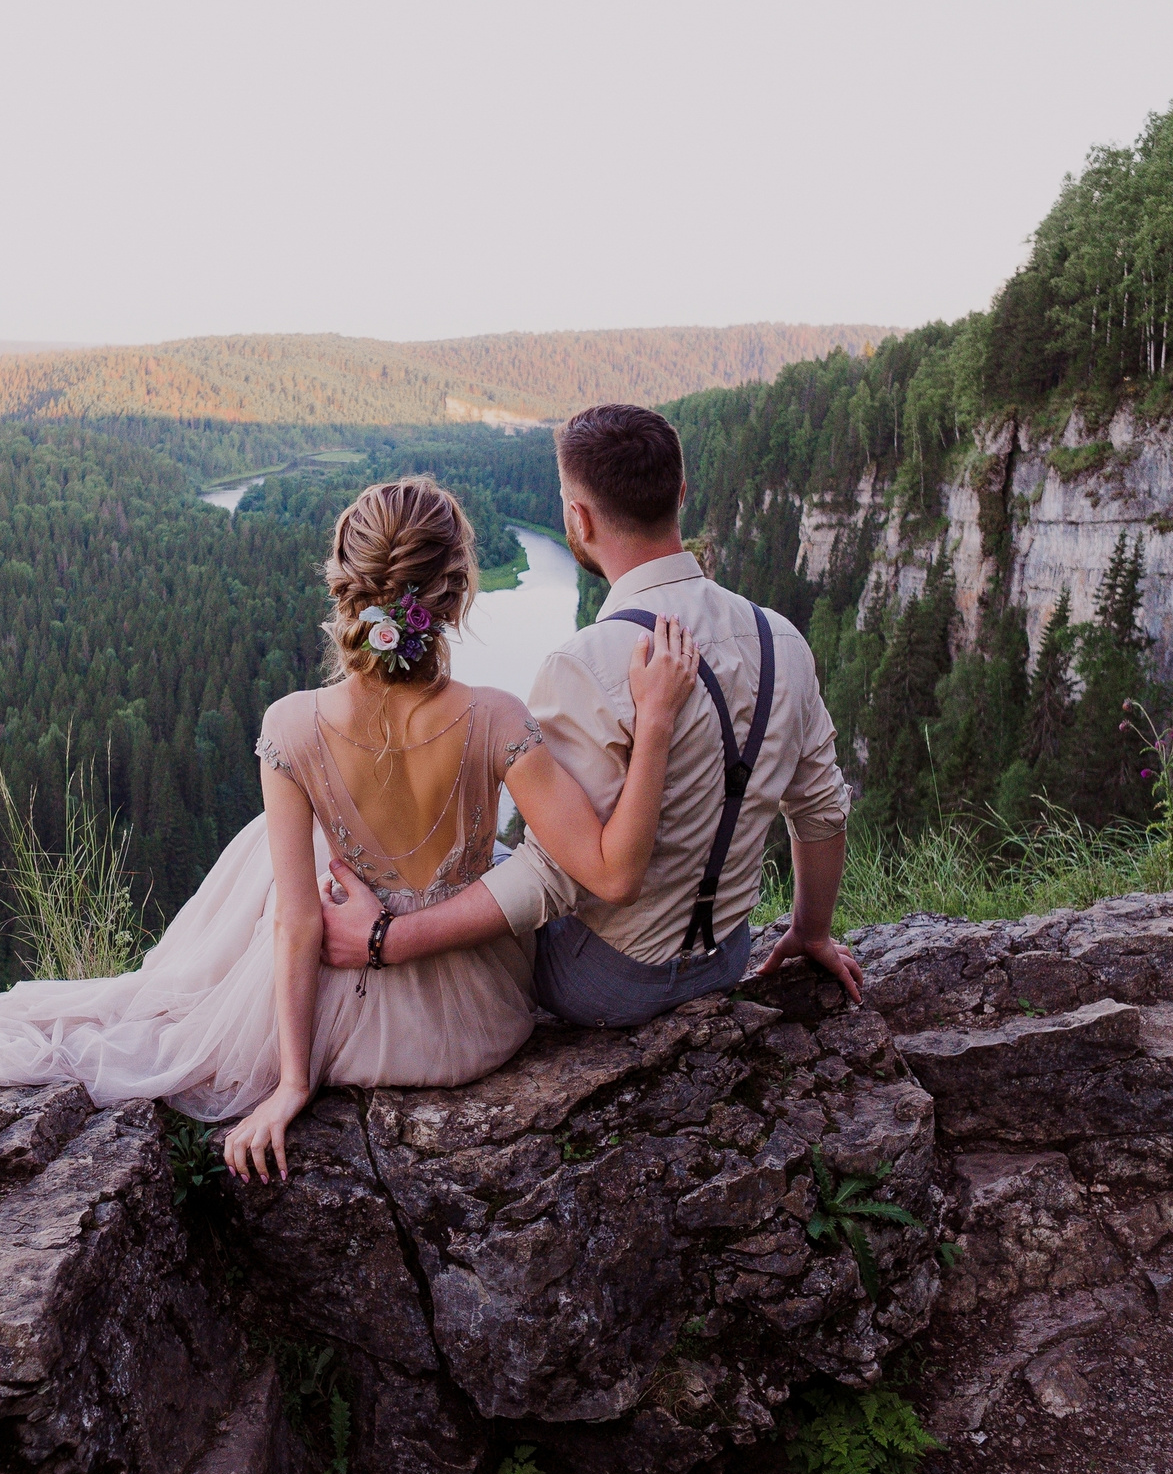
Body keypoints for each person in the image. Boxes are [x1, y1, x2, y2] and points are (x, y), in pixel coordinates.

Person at [0, 475, 702, 1184]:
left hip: (348, 1029)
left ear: (348, 587)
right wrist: (656, 723)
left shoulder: (292, 724)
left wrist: (291, 1084)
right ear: (455, 598)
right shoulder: (498, 718)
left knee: (285, 855)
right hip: (478, 1024)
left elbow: (299, 925)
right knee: (325, 850)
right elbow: (610, 870)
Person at [318, 404, 864, 1031]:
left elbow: (554, 877)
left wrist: (388, 939)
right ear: (680, 494)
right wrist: (811, 931)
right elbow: (821, 807)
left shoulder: (586, 663)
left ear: (578, 517)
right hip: (725, 959)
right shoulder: (781, 639)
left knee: (455, 867)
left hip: (602, 984)